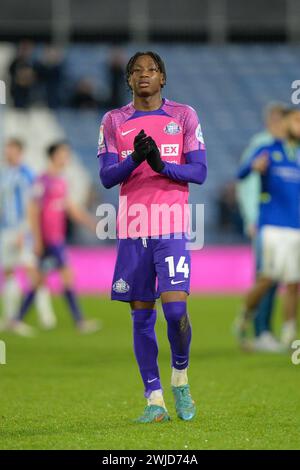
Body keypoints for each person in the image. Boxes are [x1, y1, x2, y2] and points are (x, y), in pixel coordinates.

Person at [98, 51, 207, 423]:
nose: (144, 75)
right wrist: (135, 160)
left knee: (176, 311)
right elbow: (107, 177)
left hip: (171, 227)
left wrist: (162, 166)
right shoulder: (113, 120)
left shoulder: (184, 116)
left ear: (163, 78)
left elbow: (200, 172)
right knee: (141, 318)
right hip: (133, 230)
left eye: (152, 69)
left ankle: (180, 377)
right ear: (128, 79)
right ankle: (154, 399)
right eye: (136, 70)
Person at [12, 141, 101, 334]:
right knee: (66, 277)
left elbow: (71, 209)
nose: (66, 157)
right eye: (63, 153)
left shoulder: (61, 181)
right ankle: (80, 321)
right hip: (48, 240)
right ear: (54, 155)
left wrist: (92, 223)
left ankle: (17, 319)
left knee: (38, 280)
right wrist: (36, 240)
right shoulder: (42, 181)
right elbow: (33, 211)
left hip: (55, 239)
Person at [236, 108, 300, 349]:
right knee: (268, 278)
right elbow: (240, 174)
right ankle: (245, 316)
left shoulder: (297, 154)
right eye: (296, 120)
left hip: (295, 228)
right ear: (285, 123)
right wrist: (254, 166)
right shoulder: (267, 149)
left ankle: (288, 335)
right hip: (272, 226)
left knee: (293, 282)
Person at [0, 138, 56, 335]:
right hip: (6, 230)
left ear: (19, 152)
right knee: (8, 273)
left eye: (11, 150)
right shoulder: (5, 174)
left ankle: (46, 317)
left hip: (22, 230)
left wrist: (25, 231)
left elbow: (33, 206)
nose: (8, 153)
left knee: (33, 272)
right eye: (7, 150)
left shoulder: (27, 174)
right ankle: (11, 318)